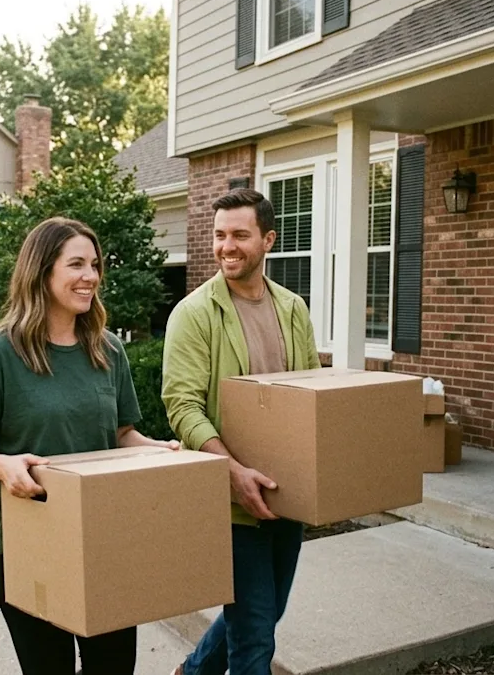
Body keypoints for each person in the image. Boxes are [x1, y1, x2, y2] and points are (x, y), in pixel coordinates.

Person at [0, 216, 179, 675]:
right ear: (42, 272)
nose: (90, 276)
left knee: (113, 668)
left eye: (94, 265)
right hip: (29, 543)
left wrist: (155, 448)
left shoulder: (107, 349)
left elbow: (121, 435)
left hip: (103, 537)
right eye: (76, 264)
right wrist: (3, 466)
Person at [162, 188, 319, 675]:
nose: (226, 246)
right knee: (254, 639)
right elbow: (182, 405)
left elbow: (312, 394)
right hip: (232, 501)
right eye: (219, 235)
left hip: (285, 495)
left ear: (268, 240)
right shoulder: (194, 314)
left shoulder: (293, 308)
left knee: (265, 613)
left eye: (240, 235)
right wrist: (233, 472)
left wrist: (318, 482)